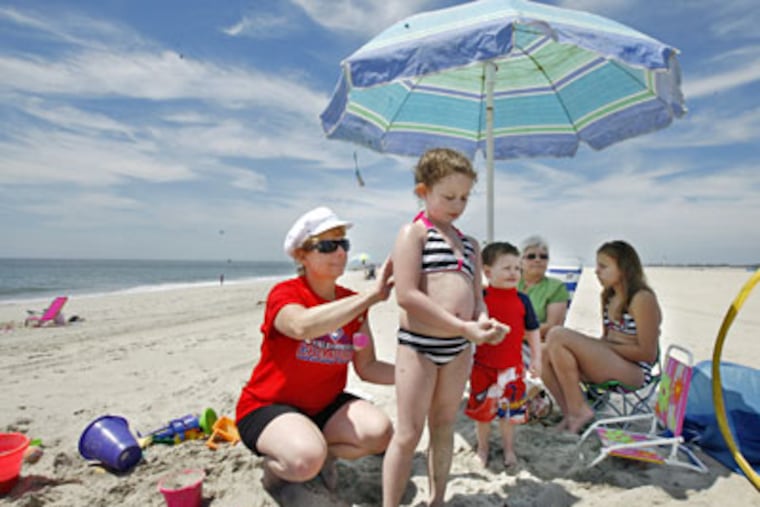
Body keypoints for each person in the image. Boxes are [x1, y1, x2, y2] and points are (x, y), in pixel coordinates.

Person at [235, 206, 395, 493]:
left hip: (324, 405)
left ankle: (324, 454)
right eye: (327, 245)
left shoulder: (355, 306)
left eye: (343, 244)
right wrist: (371, 297)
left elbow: (367, 366)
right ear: (301, 255)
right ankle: (274, 472)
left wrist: (420, 372)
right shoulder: (285, 294)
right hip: (268, 406)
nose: (340, 253)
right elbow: (301, 326)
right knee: (304, 460)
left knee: (380, 433)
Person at [382, 148, 509, 507]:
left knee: (443, 426)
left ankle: (438, 499)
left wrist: (482, 321)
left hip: (457, 350)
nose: (458, 204)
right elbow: (406, 295)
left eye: (465, 197)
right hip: (418, 346)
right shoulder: (414, 234)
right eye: (448, 196)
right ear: (423, 191)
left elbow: (477, 297)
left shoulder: (470, 245)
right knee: (408, 433)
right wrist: (462, 326)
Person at [541, 240, 661, 434]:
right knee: (543, 353)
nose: (597, 271)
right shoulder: (608, 297)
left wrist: (608, 346)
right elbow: (607, 340)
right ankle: (571, 412)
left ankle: (579, 410)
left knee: (557, 334)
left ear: (623, 268)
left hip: (635, 372)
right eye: (597, 266)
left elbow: (648, 354)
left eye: (603, 266)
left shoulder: (641, 298)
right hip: (614, 363)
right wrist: (610, 344)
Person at [465, 242, 540, 468]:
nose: (514, 273)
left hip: (512, 367)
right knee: (482, 414)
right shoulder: (480, 298)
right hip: (482, 366)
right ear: (487, 272)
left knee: (510, 414)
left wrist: (536, 358)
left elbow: (533, 331)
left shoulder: (523, 300)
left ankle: (509, 449)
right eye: (507, 268)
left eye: (517, 268)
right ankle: (483, 448)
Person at [517, 235, 570, 341]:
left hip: (537, 344)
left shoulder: (555, 287)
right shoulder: (510, 283)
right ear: (520, 261)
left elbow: (552, 326)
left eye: (543, 257)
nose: (538, 260)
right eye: (531, 256)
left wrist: (514, 333)